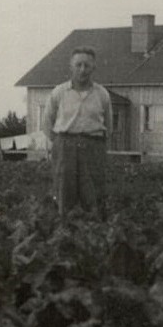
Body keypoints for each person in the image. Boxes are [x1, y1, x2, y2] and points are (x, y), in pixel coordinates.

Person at [42, 46, 112, 217]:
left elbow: (108, 125)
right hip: (65, 146)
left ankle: (94, 231)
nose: (83, 70)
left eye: (87, 66)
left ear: (93, 68)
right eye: (78, 65)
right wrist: (61, 143)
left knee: (94, 192)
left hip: (93, 147)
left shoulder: (102, 94)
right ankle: (64, 230)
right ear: (71, 67)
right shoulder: (59, 92)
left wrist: (95, 144)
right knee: (64, 190)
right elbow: (47, 123)